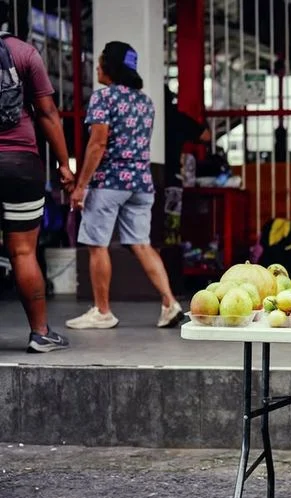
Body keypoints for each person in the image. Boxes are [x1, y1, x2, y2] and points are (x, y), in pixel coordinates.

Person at [66, 41, 183, 330]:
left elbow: (98, 144)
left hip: (109, 182)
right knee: (141, 244)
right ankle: (170, 303)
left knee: (97, 245)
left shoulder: (103, 98)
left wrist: (81, 186)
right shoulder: (145, 102)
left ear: (110, 67)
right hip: (142, 182)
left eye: (100, 62)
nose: (96, 67)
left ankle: (102, 311)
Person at [0, 0, 73, 352]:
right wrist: (64, 165)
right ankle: (41, 333)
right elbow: (47, 112)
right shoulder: (25, 53)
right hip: (20, 165)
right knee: (23, 251)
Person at [162, 87, 210, 245]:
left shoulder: (145, 117)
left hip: (149, 177)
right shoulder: (178, 118)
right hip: (173, 177)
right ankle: (170, 254)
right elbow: (206, 136)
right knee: (171, 225)